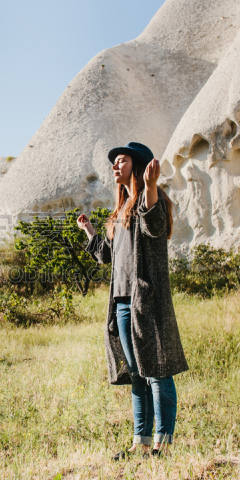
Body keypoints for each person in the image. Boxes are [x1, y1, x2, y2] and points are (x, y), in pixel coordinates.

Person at [77, 142, 188, 460]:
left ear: (136, 165)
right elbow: (109, 256)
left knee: (156, 371)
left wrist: (151, 186)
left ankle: (162, 444)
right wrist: (90, 232)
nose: (114, 166)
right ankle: (140, 442)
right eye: (113, 162)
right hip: (122, 305)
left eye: (120, 161)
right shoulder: (120, 211)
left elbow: (156, 227)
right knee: (137, 374)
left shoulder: (149, 201)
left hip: (148, 303)